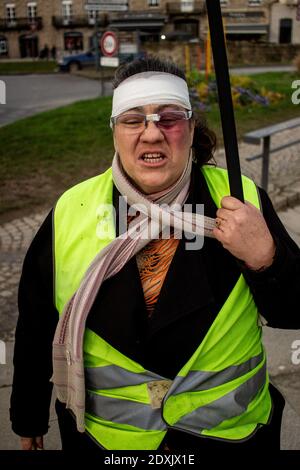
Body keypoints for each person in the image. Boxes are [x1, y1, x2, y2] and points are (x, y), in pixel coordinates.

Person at [10, 57, 300, 452]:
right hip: (110, 444)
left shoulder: (239, 200)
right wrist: (28, 418)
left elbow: (294, 310)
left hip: (230, 438)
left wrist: (267, 258)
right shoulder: (70, 211)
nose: (151, 134)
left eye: (169, 117)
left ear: (191, 127)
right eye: (133, 119)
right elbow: (36, 323)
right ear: (114, 131)